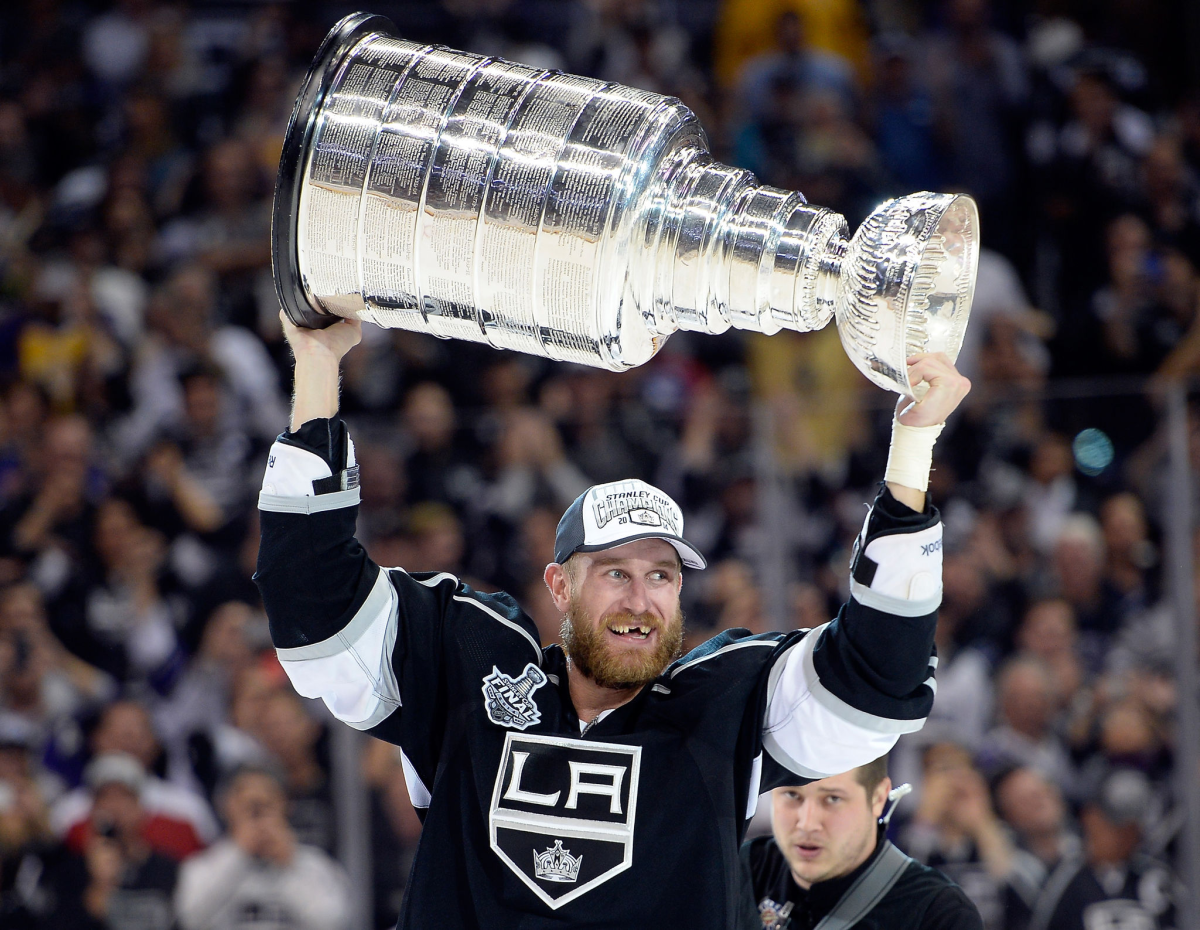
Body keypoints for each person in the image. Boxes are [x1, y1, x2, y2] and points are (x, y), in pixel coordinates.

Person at [254, 313, 970, 928]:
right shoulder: (469, 667)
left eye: (662, 575)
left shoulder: (724, 703)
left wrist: (913, 449)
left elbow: (877, 684)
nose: (640, 599)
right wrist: (317, 362)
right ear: (560, 585)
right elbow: (318, 614)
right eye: (615, 573)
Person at [742, 756, 983, 929]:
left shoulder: (937, 912)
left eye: (832, 799)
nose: (807, 823)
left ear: (878, 798)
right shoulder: (741, 869)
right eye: (792, 795)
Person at [174, 766, 351, 930]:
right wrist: (239, 855)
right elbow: (191, 918)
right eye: (249, 807)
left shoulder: (315, 864)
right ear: (225, 806)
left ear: (286, 805)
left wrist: (289, 866)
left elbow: (333, 922)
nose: (258, 817)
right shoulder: (203, 865)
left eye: (266, 804)